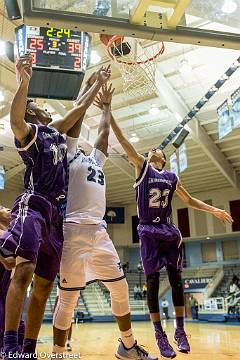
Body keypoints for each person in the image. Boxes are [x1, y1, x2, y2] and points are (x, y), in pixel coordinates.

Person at [0, 54, 110, 359]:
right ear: (34, 113)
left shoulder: (57, 131)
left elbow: (79, 109)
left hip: (55, 217)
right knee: (24, 273)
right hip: (33, 206)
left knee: (45, 287)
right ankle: (10, 346)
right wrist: (24, 82)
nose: (47, 109)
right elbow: (15, 120)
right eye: (40, 107)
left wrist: (96, 83)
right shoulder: (31, 134)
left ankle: (29, 349)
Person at [110, 114, 233, 358]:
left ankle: (180, 331)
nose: (152, 150)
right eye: (151, 149)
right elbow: (124, 141)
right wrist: (109, 113)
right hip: (147, 230)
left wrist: (214, 210)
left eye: (157, 149)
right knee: (153, 283)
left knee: (177, 281)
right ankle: (160, 335)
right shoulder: (142, 168)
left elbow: (189, 201)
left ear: (163, 158)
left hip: (168, 230)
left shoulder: (171, 177)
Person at [53, 84, 157, 360]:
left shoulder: (95, 161)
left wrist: (108, 106)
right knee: (68, 300)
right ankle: (58, 354)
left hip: (99, 233)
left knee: (120, 288)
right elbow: (75, 121)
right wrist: (88, 89)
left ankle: (128, 346)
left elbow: (103, 133)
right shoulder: (69, 155)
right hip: (73, 230)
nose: (91, 143)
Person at [0, 206, 25, 354]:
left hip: (10, 279)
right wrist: (3, 260)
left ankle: (19, 348)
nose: (8, 209)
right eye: (2, 208)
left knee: (16, 316)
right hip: (3, 274)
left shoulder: (15, 233)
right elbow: (8, 261)